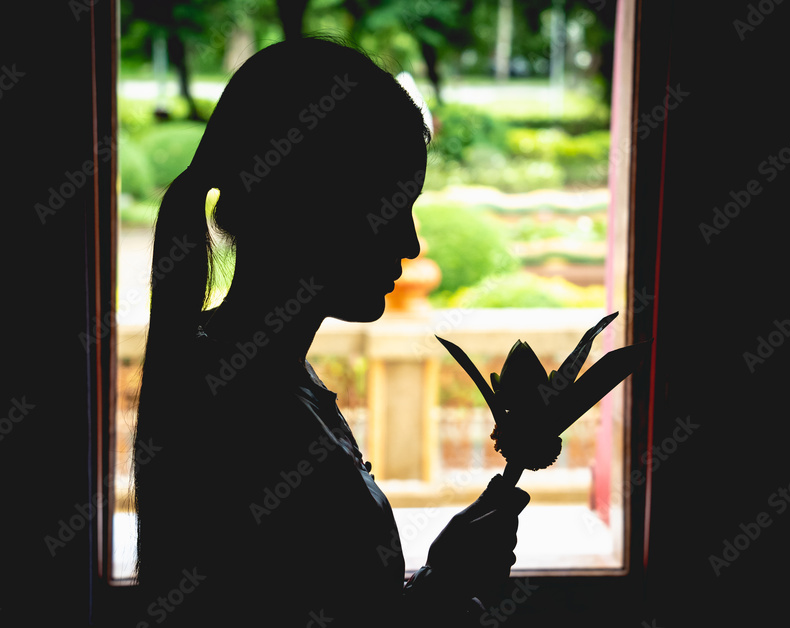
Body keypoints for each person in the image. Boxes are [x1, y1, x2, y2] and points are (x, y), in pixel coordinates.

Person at [133, 35, 530, 627]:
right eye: (392, 208)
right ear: (313, 208)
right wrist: (446, 592)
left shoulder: (251, 373)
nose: (411, 243)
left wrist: (440, 580)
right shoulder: (247, 413)